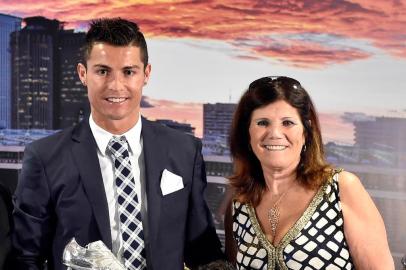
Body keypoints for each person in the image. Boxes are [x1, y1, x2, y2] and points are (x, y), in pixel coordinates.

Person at [11, 18, 224, 270]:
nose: (116, 85)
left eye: (128, 71)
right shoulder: (45, 157)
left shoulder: (185, 151)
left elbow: (204, 251)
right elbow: (25, 257)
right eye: (102, 71)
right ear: (83, 74)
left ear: (146, 74)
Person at [224, 76, 394, 269]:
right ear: (247, 132)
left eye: (287, 123)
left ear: (306, 132)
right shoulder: (239, 203)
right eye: (263, 122)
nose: (275, 133)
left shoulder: (340, 188)